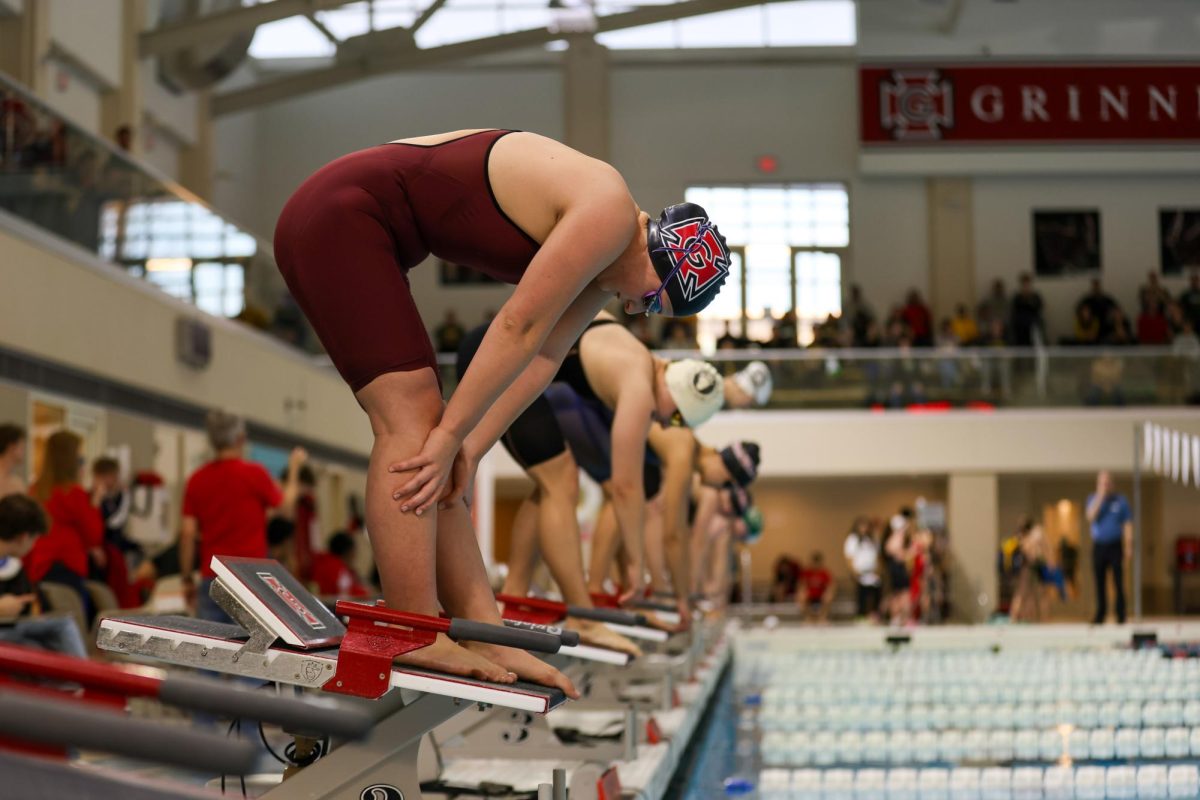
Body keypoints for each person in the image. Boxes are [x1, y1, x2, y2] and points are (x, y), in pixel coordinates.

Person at [275, 129, 729, 688]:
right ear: (661, 255)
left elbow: (542, 359)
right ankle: (413, 628)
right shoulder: (608, 211)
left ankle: (485, 632)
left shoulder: (605, 267)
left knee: (440, 446)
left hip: (363, 228)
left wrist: (466, 446)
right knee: (416, 425)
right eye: (656, 298)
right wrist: (445, 438)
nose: (640, 307)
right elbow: (518, 324)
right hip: (339, 216)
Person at [456, 314, 726, 647]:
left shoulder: (634, 352)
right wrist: (636, 569)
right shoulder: (639, 389)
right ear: (673, 387)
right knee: (560, 480)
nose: (669, 427)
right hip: (497, 360)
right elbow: (628, 489)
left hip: (500, 351)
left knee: (551, 481)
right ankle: (582, 615)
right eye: (675, 416)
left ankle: (515, 593)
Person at [180, 411, 308, 624]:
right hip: (252, 579)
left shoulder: (196, 480)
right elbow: (286, 507)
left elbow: (187, 533)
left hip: (213, 577)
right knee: (251, 648)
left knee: (210, 649)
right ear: (240, 438)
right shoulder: (254, 474)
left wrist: (186, 578)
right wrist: (294, 467)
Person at [25, 431, 105, 622]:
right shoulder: (73, 493)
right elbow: (94, 535)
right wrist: (95, 503)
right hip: (67, 567)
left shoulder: (36, 490)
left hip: (41, 566)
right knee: (72, 625)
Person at [0, 495, 87, 657]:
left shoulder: (13, 565)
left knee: (43, 645)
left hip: (9, 629)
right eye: (34, 539)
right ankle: (88, 679)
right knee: (62, 627)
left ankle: (81, 679)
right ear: (23, 537)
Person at [1086, 470, 1133, 624]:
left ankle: (1121, 613)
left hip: (1115, 545)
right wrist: (1100, 496)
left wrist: (1128, 545)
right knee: (1100, 582)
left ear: (1112, 483)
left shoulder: (1120, 501)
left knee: (1118, 581)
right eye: (1102, 482)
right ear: (1098, 484)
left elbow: (1127, 524)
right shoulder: (1092, 498)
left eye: (1107, 482)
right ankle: (1101, 614)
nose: (1105, 485)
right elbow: (1090, 516)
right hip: (1099, 546)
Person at [310, 531, 372, 599]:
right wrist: (367, 592)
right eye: (353, 552)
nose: (355, 556)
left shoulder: (322, 562)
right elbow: (346, 593)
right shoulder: (339, 569)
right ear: (347, 552)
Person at [844, 516, 881, 621]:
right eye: (862, 525)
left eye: (866, 526)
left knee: (875, 592)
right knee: (861, 595)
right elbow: (849, 557)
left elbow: (877, 556)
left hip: (872, 572)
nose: (864, 528)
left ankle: (873, 614)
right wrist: (853, 571)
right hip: (859, 572)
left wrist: (877, 570)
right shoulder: (852, 539)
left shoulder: (873, 539)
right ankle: (861, 615)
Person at [1009, 273, 1044, 347]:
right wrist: (1023, 298)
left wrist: (1029, 299)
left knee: (1034, 327)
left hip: (1033, 321)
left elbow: (1038, 308)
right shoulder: (1017, 297)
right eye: (1024, 284)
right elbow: (1015, 309)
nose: (1026, 286)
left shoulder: (1035, 296)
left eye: (1027, 284)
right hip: (1020, 322)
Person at [798, 551, 835, 622]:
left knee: (828, 596)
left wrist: (828, 592)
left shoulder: (825, 573)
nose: (815, 565)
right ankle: (808, 618)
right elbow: (801, 584)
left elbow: (831, 585)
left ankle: (822, 617)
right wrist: (802, 591)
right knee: (801, 596)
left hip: (821, 595)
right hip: (810, 595)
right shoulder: (807, 572)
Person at [0, 424, 26, 499]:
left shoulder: (16, 482)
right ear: (12, 447)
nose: (23, 451)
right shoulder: (15, 484)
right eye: (21, 446)